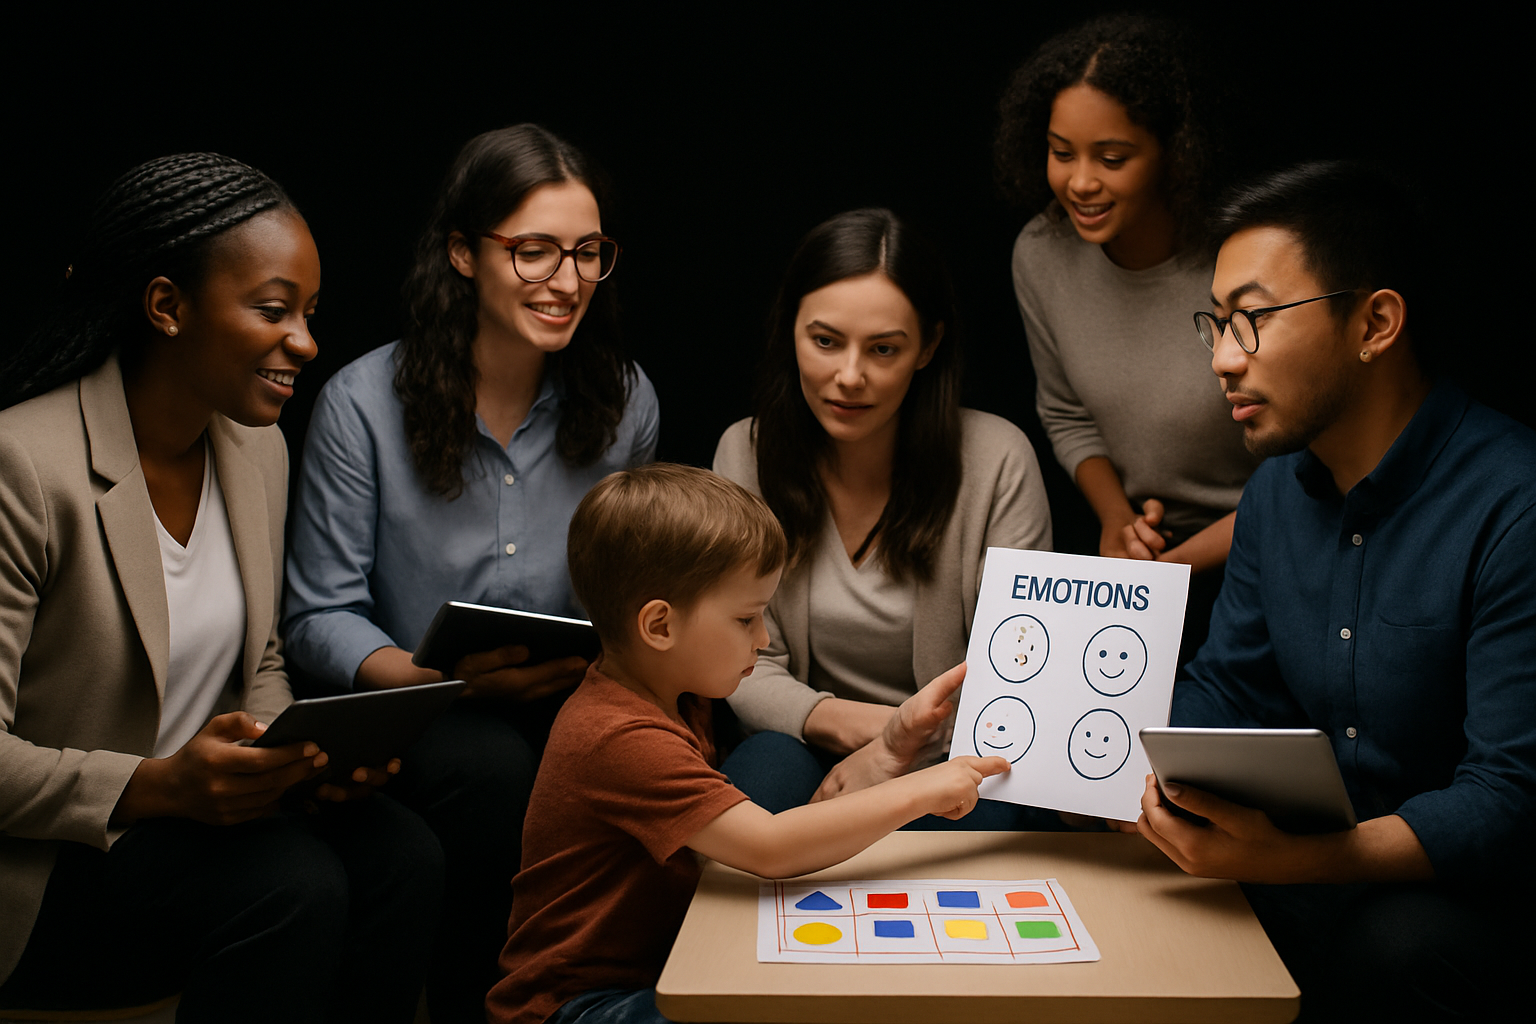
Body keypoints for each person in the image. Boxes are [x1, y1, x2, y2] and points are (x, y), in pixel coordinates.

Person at [0, 153, 440, 1023]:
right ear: (167, 306)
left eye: (309, 314)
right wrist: (161, 785)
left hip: (200, 827)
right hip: (53, 867)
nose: (307, 343)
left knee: (403, 854)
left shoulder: (255, 449)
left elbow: (261, 659)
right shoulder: (22, 467)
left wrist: (296, 758)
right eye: (274, 311)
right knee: (291, 884)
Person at [1131, 161, 1534, 1020]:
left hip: (1457, 904)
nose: (1220, 359)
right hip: (1310, 871)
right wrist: (1084, 750)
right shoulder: (1278, 491)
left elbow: (1509, 802)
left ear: (1376, 322)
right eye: (1214, 324)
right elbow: (1226, 691)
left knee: (1398, 949)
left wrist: (1297, 862)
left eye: (1251, 320)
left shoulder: (1516, 504)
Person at [282, 124, 658, 1023]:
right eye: (533, 250)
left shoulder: (625, 398)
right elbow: (319, 611)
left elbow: (634, 585)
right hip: (418, 704)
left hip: (572, 695)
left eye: (587, 253)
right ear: (462, 252)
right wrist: (428, 680)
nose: (566, 281)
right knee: (488, 769)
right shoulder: (362, 403)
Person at [486, 464, 1010, 1024]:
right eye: (746, 618)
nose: (762, 639)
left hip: (656, 969)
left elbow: (779, 834)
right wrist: (923, 790)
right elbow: (770, 847)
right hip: (575, 1007)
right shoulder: (620, 736)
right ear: (659, 626)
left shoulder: (675, 697)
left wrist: (888, 752)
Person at [712, 208, 1052, 824]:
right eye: (824, 341)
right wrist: (868, 735)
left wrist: (900, 752)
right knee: (760, 777)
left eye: (884, 349)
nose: (849, 376)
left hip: (959, 755)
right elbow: (739, 660)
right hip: (805, 744)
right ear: (791, 328)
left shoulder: (999, 459)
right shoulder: (746, 452)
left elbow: (1019, 682)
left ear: (928, 347)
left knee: (994, 816)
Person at [996, 14, 1259, 660]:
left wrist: (1175, 568)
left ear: (1175, 152)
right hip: (1139, 552)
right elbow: (1064, 412)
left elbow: (1307, 464)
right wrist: (1116, 521)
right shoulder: (1041, 252)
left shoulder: (1245, 259)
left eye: (1111, 158)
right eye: (1063, 153)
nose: (1081, 182)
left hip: (1269, 545)